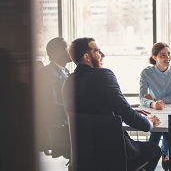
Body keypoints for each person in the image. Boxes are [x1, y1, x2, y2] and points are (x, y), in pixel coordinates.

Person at [62, 37, 162, 171]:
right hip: (114, 154)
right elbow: (125, 113)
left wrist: (120, 110)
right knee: (154, 149)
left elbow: (91, 109)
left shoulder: (67, 82)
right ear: (87, 56)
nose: (102, 55)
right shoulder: (104, 74)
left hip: (83, 156)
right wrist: (148, 123)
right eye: (97, 51)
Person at [139, 42, 171, 171]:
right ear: (154, 57)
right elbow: (142, 97)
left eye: (168, 54)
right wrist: (151, 104)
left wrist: (155, 100)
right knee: (156, 131)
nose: (167, 57)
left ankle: (163, 154)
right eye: (163, 55)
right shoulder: (146, 72)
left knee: (169, 130)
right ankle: (153, 158)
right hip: (154, 110)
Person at [35, 37, 72, 157]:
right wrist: (74, 110)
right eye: (65, 48)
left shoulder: (64, 71)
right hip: (61, 127)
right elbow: (50, 106)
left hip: (68, 122)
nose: (69, 50)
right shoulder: (47, 73)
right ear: (54, 54)